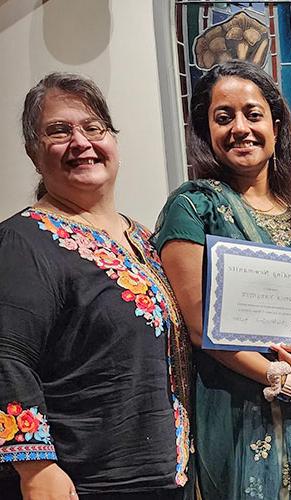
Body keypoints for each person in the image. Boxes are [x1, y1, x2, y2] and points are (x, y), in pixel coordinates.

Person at [152, 60, 291, 500]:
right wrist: (284, 379)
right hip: (236, 405)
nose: (241, 128)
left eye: (253, 115)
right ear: (207, 131)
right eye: (224, 117)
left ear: (276, 128)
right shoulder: (194, 207)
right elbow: (201, 328)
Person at [0, 73, 192, 498]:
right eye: (58, 131)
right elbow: (7, 357)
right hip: (83, 483)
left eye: (93, 128)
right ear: (34, 153)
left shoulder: (144, 238)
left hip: (163, 479)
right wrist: (36, 467)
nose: (80, 142)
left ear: (113, 142)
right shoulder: (22, 241)